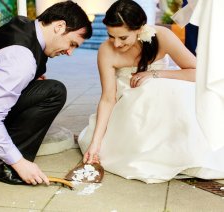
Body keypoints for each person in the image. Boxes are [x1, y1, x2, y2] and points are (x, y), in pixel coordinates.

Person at [0, 1, 92, 186]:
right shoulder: (22, 59)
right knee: (54, 92)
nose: (70, 52)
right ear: (59, 26)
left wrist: (28, 79)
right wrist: (19, 162)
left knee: (41, 88)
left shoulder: (26, 26)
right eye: (72, 43)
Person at [78, 0, 224, 183]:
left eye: (123, 38)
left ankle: (182, 152)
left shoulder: (162, 36)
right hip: (128, 102)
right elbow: (108, 98)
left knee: (170, 90)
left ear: (139, 29)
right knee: (149, 90)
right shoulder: (106, 51)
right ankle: (151, 153)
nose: (115, 44)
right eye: (111, 36)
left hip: (163, 98)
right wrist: (96, 143)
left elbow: (198, 73)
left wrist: (155, 74)